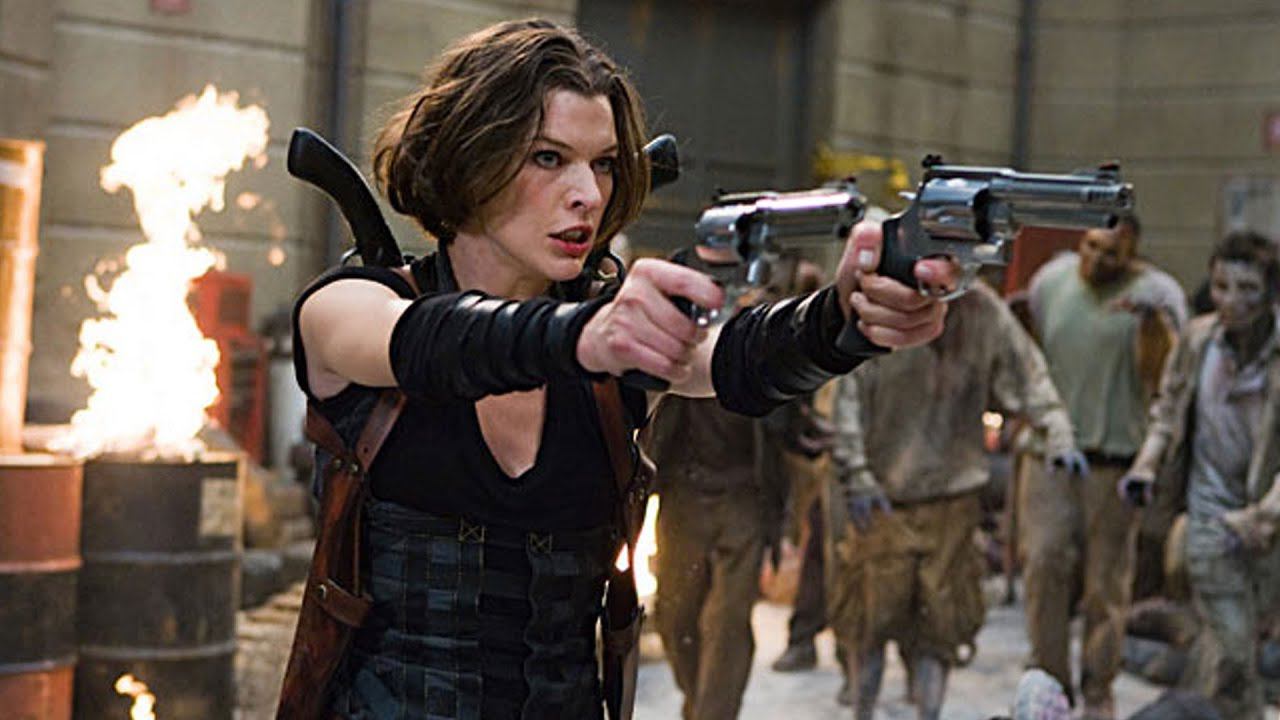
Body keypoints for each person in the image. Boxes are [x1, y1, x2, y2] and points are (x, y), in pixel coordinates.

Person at [288, 18, 954, 718]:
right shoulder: (351, 308)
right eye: (548, 157)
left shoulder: (615, 352)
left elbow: (738, 356)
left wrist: (846, 318)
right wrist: (590, 333)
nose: (588, 193)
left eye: (604, 163)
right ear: (468, 158)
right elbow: (436, 343)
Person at [827, 282, 1084, 720]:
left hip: (952, 499)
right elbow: (847, 392)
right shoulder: (882, 300)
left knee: (940, 629)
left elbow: (1027, 374)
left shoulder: (982, 312)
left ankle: (928, 714)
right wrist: (856, 473)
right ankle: (863, 711)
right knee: (870, 623)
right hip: (886, 499)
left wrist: (1058, 431)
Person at [1020, 216, 1187, 719]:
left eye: (1111, 253)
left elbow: (1169, 380)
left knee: (1106, 585)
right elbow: (1032, 357)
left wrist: (1151, 325)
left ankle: (1098, 688)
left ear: (1131, 254)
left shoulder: (1158, 294)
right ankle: (1050, 681)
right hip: (1049, 456)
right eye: (1090, 245)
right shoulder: (1050, 283)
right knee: (1044, 566)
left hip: (1114, 461)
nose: (1096, 259)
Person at [1120, 230, 1280, 720]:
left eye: (1248, 289)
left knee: (1246, 643)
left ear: (1270, 294)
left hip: (1269, 519)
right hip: (1210, 514)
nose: (1232, 301)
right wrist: (1147, 464)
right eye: (1221, 287)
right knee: (1233, 645)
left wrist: (1266, 514)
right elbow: (1168, 410)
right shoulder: (1197, 340)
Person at [642, 394, 789, 720]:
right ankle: (699, 702)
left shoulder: (754, 365)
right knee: (676, 617)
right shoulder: (675, 375)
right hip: (683, 495)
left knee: (728, 621)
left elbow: (785, 421)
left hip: (743, 496)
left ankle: (713, 713)